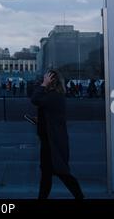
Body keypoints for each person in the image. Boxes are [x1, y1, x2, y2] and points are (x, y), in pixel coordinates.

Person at [31, 70, 84, 200]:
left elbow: (35, 99)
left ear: (51, 81)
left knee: (61, 173)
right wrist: (41, 120)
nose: (43, 81)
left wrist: (44, 84)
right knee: (48, 175)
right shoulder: (54, 96)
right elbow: (52, 116)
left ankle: (80, 196)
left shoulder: (53, 96)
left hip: (52, 143)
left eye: (46, 79)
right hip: (49, 141)